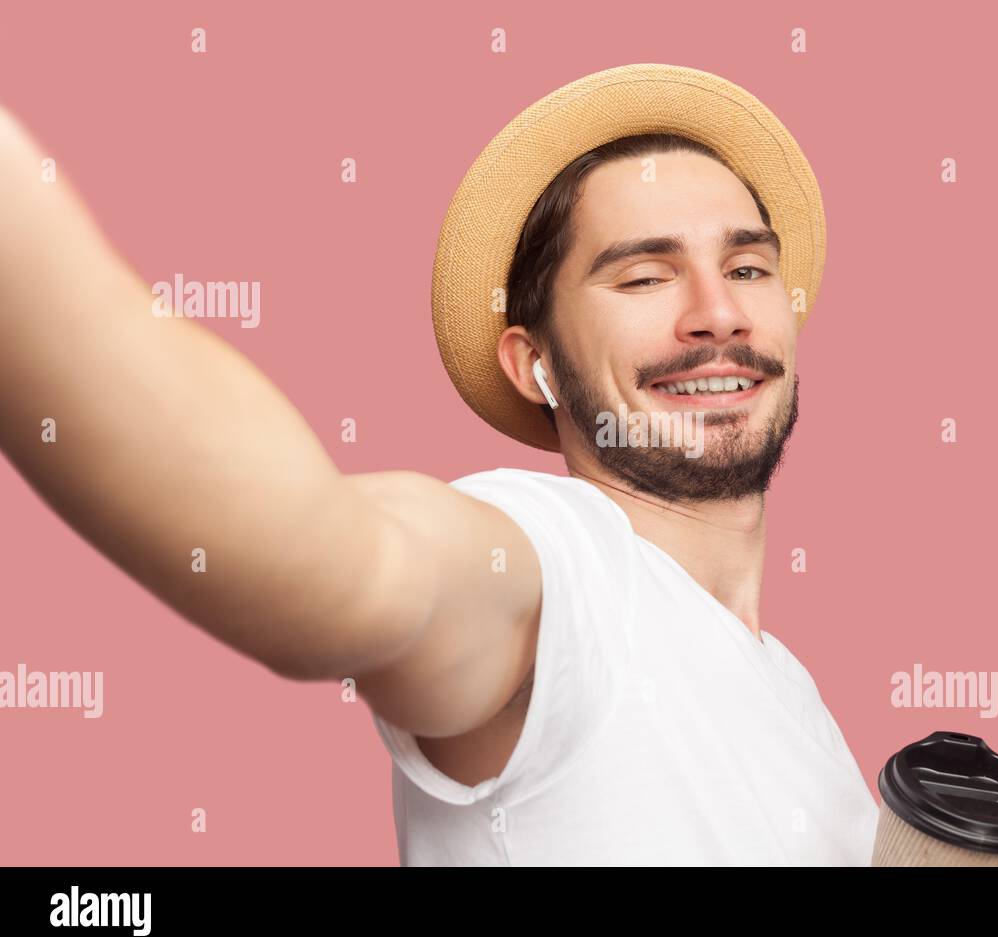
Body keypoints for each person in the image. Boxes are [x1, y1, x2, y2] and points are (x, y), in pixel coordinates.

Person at [0, 64, 879, 865]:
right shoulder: (558, 567)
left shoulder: (798, 702)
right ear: (534, 365)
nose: (718, 313)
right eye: (645, 277)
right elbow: (334, 561)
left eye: (750, 266)